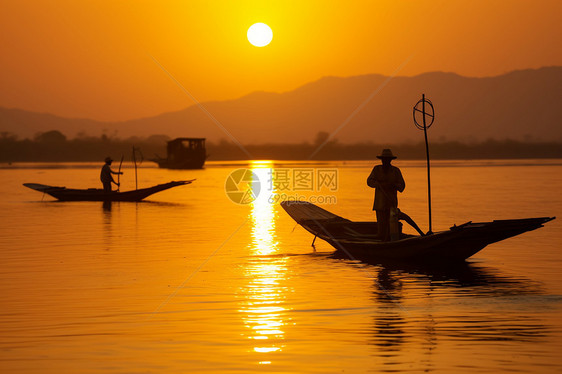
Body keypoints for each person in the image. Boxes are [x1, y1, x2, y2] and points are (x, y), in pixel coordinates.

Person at [367, 149, 405, 241]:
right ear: (381, 160)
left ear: (390, 160)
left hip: (392, 204)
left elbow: (402, 186)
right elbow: (369, 182)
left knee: (392, 229)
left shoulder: (395, 171)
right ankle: (382, 241)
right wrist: (379, 185)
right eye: (384, 159)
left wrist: (393, 185)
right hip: (380, 204)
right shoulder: (376, 169)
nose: (385, 161)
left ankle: (391, 242)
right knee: (382, 228)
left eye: (387, 159)